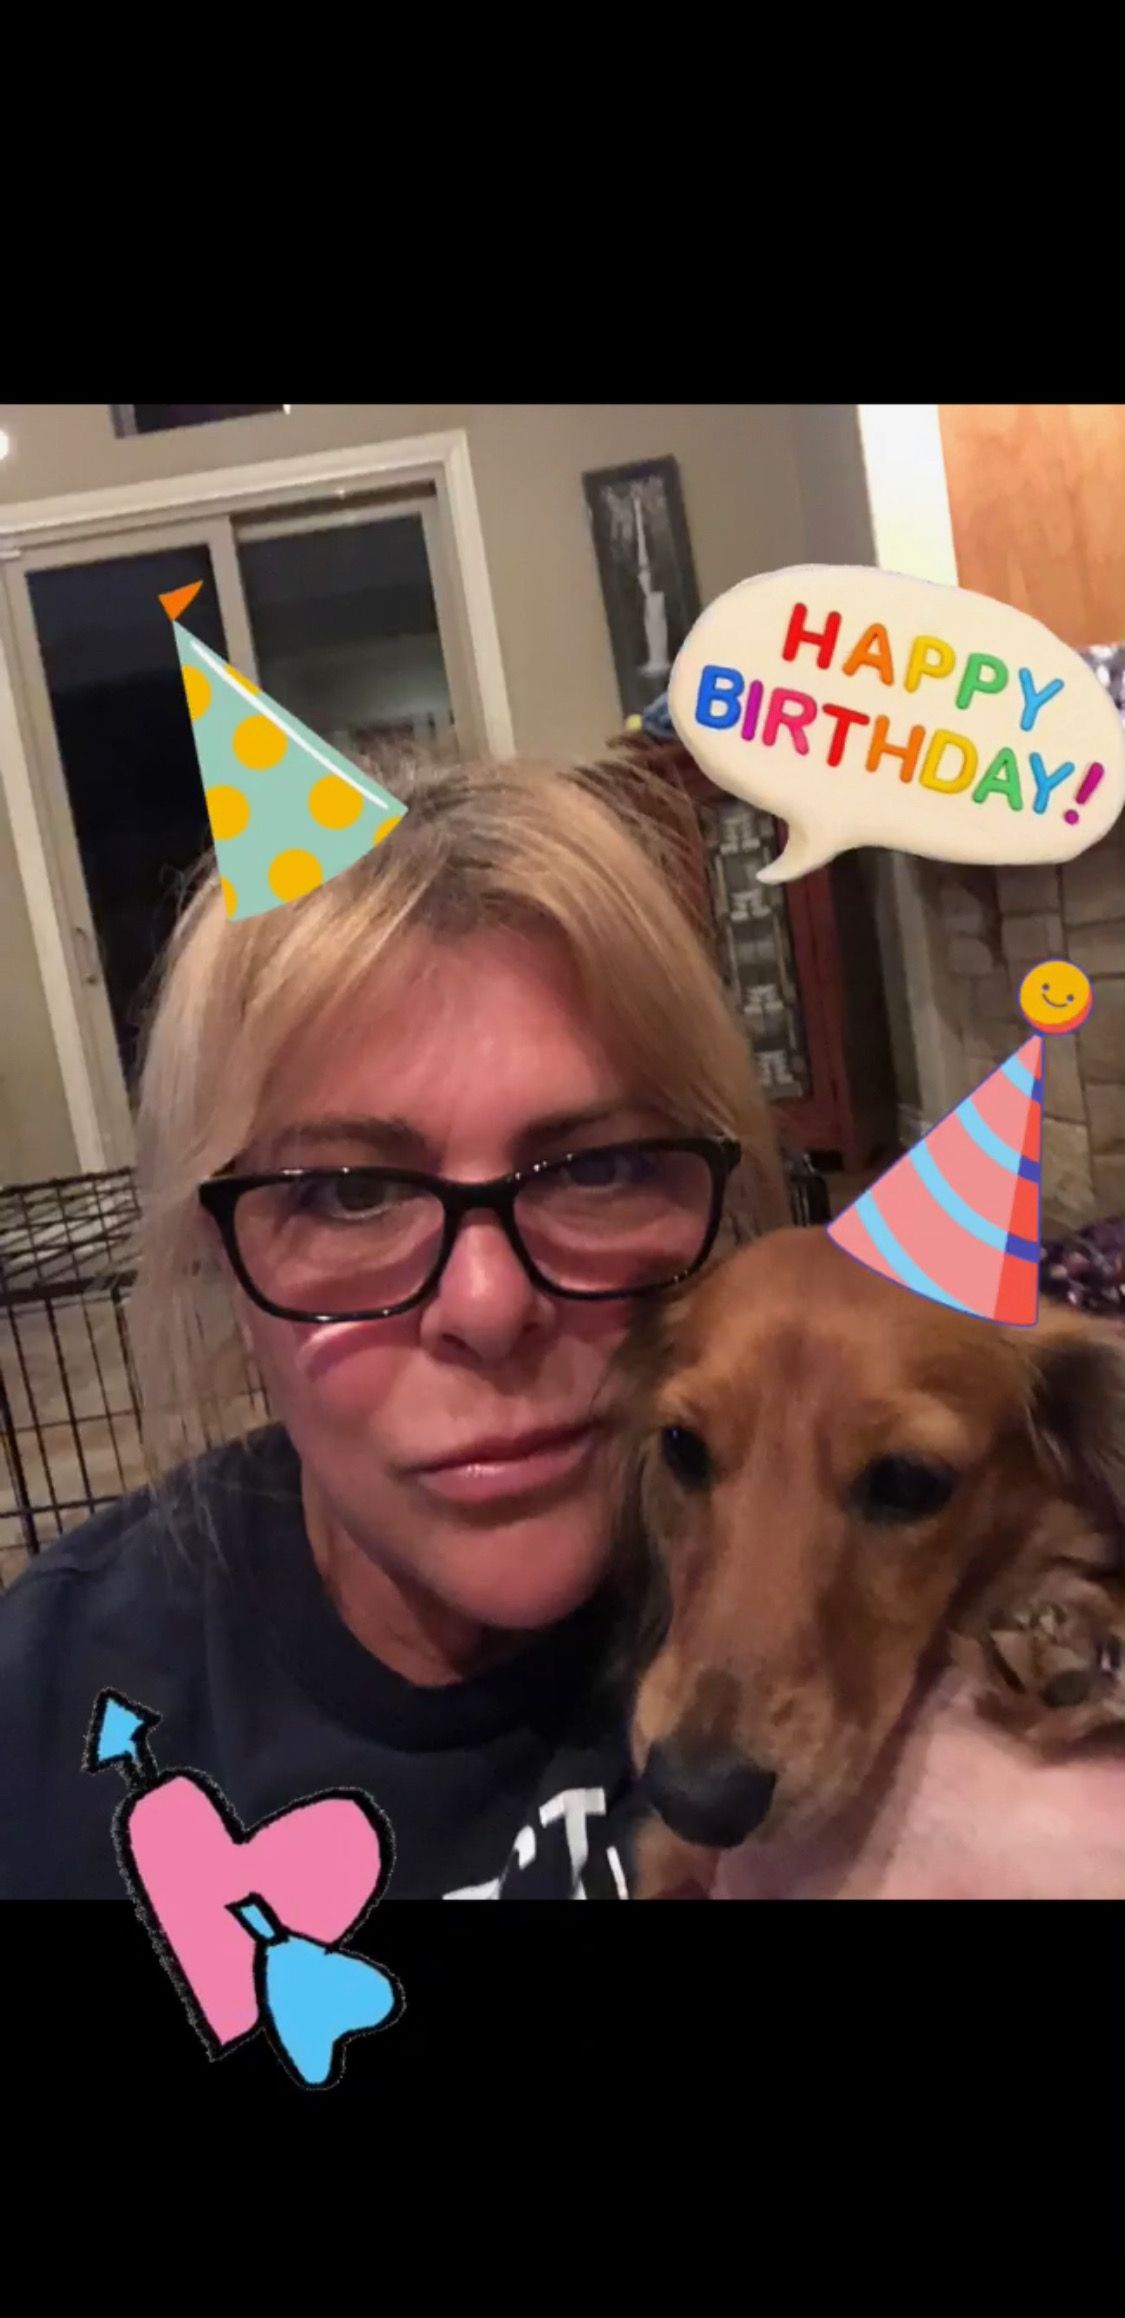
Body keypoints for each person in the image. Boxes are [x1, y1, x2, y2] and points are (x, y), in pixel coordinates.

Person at [0, 749, 1121, 1901]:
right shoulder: (46, 1714)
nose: (487, 1307)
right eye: (348, 1190)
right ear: (223, 1264)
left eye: (600, 1165)